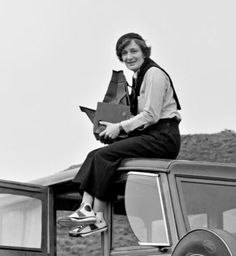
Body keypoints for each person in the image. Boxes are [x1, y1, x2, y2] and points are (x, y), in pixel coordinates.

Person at [58, 32, 182, 237]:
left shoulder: (153, 74)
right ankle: (88, 210)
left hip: (163, 137)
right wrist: (112, 126)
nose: (129, 56)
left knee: (105, 156)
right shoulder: (138, 76)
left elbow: (150, 115)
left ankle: (96, 217)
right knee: (95, 155)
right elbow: (139, 116)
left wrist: (120, 127)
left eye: (133, 51)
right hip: (149, 134)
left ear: (144, 52)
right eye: (124, 53)